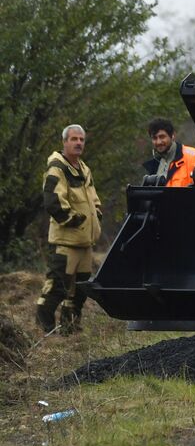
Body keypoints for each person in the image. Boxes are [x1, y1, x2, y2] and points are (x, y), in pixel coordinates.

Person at [36, 125, 101, 334]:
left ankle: (70, 329)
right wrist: (76, 220)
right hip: (65, 242)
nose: (78, 143)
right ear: (65, 142)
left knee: (79, 291)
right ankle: (44, 331)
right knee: (56, 287)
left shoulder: (84, 168)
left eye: (81, 139)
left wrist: (96, 216)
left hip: (85, 242)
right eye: (74, 139)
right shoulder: (57, 168)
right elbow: (53, 202)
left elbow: (94, 199)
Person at [142, 118, 195, 187]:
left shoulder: (194, 157)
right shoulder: (155, 164)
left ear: (172, 136)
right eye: (155, 138)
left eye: (162, 137)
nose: (158, 142)